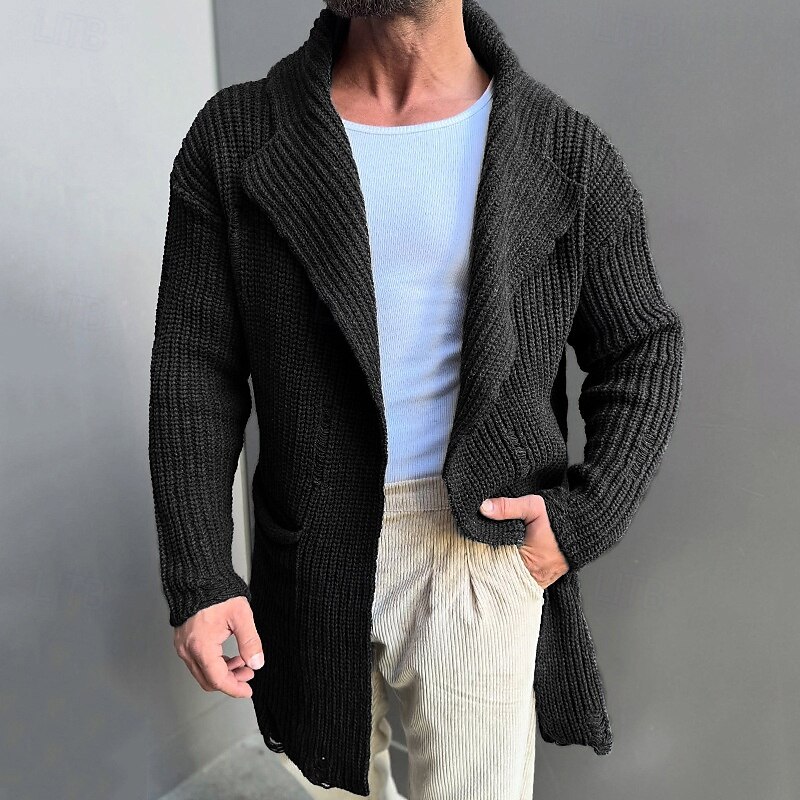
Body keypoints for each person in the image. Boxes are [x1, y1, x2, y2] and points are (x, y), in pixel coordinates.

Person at [148, 0, 685, 797]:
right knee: (326, 784)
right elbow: (195, 367)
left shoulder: (561, 149)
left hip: (479, 550)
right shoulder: (236, 138)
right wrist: (199, 572)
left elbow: (642, 342)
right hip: (309, 551)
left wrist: (583, 518)